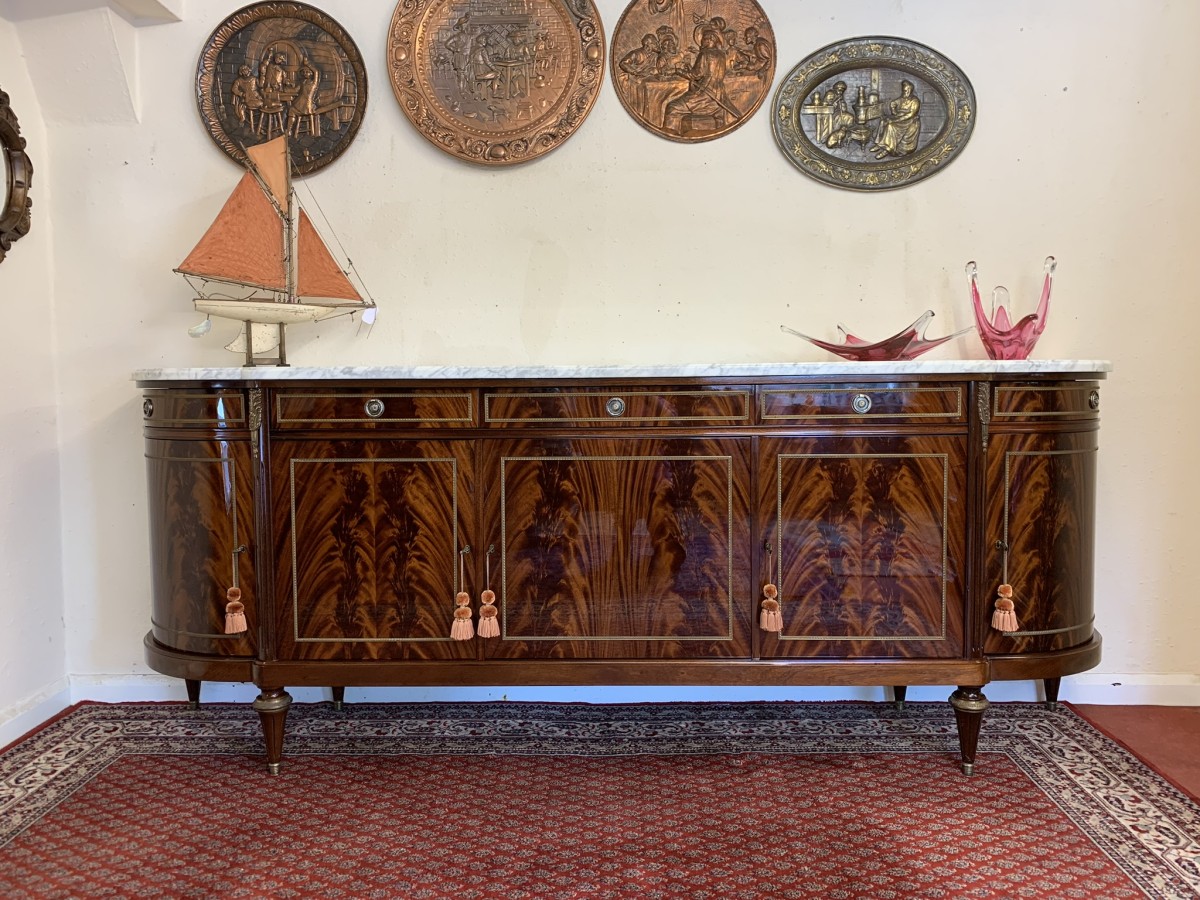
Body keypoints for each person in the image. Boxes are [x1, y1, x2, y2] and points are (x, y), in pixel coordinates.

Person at [663, 27, 732, 135]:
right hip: (718, 95)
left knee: (672, 107)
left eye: (704, 38)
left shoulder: (704, 54)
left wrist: (676, 70)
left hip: (704, 95)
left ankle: (670, 134)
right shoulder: (721, 54)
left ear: (710, 39)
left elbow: (695, 75)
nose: (701, 41)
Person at [871, 80, 921, 158]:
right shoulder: (902, 98)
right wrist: (893, 110)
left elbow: (910, 115)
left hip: (909, 121)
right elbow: (893, 103)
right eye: (904, 91)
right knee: (883, 121)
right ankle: (880, 144)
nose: (905, 92)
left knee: (890, 125)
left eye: (907, 91)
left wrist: (895, 120)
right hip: (899, 117)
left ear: (910, 90)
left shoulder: (915, 101)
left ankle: (887, 149)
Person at [230, 65, 264, 130]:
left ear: (248, 70)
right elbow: (234, 89)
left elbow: (261, 85)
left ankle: (260, 125)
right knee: (242, 106)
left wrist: (262, 76)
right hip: (245, 98)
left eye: (246, 70)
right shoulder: (238, 80)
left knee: (263, 104)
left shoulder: (254, 79)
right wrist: (241, 94)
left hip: (255, 97)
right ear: (241, 72)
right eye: (243, 70)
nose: (244, 71)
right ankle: (243, 119)